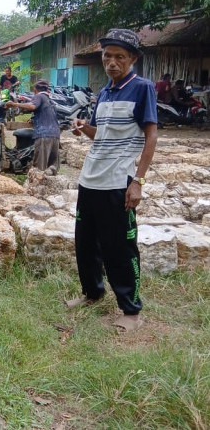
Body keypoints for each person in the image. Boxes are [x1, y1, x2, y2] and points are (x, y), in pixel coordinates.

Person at [67, 28, 157, 333]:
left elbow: (151, 135)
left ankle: (131, 310)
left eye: (120, 56)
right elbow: (100, 133)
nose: (112, 62)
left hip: (118, 182)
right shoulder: (104, 92)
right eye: (107, 56)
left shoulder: (142, 88)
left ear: (132, 58)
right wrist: (84, 127)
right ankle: (92, 293)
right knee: (85, 243)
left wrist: (138, 182)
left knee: (120, 247)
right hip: (90, 179)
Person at [4, 79, 60, 174]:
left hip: (43, 135)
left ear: (35, 89)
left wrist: (14, 104)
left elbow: (32, 106)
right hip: (55, 135)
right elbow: (47, 114)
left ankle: (36, 187)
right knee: (51, 168)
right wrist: (34, 119)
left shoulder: (39, 96)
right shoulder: (49, 100)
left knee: (39, 169)